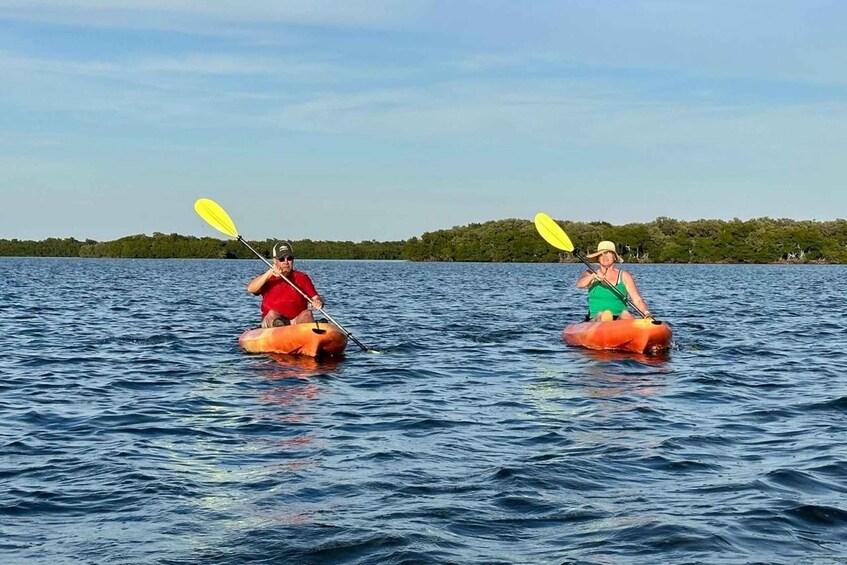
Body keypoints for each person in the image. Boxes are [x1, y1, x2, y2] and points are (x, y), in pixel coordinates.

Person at [247, 241, 324, 328]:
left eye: (289, 258)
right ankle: (279, 329)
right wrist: (269, 273)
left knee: (307, 313)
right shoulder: (267, 277)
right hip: (273, 322)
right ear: (275, 261)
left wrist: (318, 301)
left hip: (296, 321)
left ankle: (308, 335)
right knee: (272, 314)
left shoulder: (302, 277)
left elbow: (316, 297)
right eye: (282, 259)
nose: (286, 262)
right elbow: (251, 289)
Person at [576, 241, 653, 321]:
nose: (604, 256)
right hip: (597, 318)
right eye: (601, 254)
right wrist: (593, 276)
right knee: (602, 315)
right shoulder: (590, 273)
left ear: (615, 257)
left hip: (620, 317)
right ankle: (605, 319)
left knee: (625, 314)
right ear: (598, 258)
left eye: (608, 253)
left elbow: (637, 299)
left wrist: (646, 313)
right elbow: (580, 284)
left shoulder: (624, 276)